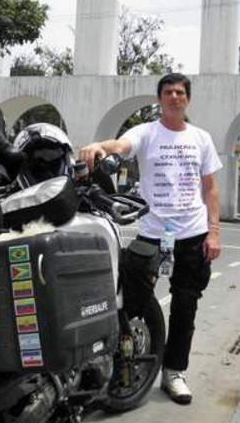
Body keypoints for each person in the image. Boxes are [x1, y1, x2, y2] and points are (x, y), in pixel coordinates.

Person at [78, 72, 222, 405]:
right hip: (152, 232)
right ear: (159, 99)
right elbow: (121, 147)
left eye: (180, 92)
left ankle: (173, 372)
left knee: (185, 305)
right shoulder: (146, 133)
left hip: (192, 233)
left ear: (187, 99)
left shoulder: (201, 138)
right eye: (169, 92)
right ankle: (128, 360)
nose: (175, 97)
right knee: (131, 299)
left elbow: (211, 189)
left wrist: (214, 231)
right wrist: (99, 146)